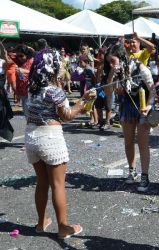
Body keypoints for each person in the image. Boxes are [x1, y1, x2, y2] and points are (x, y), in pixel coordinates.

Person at [26, 47, 96, 239]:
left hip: (31, 136)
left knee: (42, 182)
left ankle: (41, 223)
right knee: (58, 185)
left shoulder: (32, 88)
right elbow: (67, 116)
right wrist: (82, 102)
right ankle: (63, 228)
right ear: (54, 66)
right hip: (50, 138)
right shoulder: (54, 91)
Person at [106, 44, 155, 192]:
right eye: (108, 62)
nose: (110, 64)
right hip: (126, 109)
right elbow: (109, 91)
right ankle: (132, 170)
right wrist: (111, 74)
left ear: (121, 57)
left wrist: (148, 106)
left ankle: (145, 176)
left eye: (112, 61)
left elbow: (153, 90)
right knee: (128, 142)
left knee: (142, 143)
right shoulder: (116, 72)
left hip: (142, 108)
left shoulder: (140, 68)